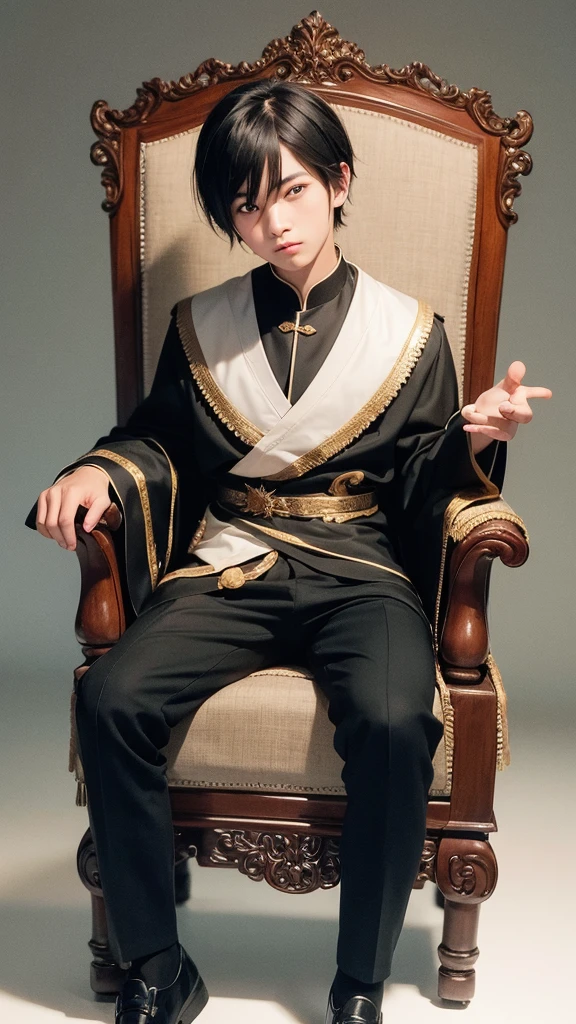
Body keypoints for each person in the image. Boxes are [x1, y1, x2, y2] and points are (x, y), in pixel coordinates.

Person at [28, 80, 551, 1024]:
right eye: (246, 202)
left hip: (360, 567)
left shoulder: (412, 332)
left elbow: (425, 476)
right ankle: (156, 965)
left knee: (396, 722)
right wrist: (99, 471)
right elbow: (158, 440)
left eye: (294, 190)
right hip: (235, 555)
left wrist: (474, 439)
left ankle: (358, 982)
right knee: (111, 697)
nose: (274, 221)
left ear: (340, 182)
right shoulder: (202, 326)